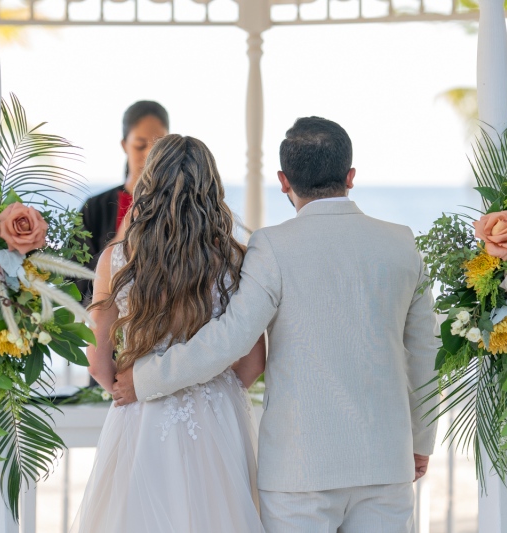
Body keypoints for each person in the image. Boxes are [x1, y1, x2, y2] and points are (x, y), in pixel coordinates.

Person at [112, 117, 440, 533]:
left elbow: (230, 337)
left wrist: (147, 378)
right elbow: (425, 352)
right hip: (385, 462)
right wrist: (421, 441)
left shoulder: (273, 245)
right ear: (351, 176)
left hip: (297, 471)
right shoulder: (401, 242)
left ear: (284, 181)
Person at [71, 134, 266, 533]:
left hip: (140, 415)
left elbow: (95, 357)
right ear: (211, 189)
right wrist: (217, 387)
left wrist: (123, 387)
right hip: (217, 416)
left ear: (148, 184)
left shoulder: (118, 258)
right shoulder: (233, 260)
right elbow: (253, 363)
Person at [75, 101, 169, 304]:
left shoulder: (180, 207)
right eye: (140, 145)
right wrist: (118, 243)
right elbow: (73, 284)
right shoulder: (95, 209)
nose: (150, 155)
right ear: (124, 145)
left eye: (159, 145)